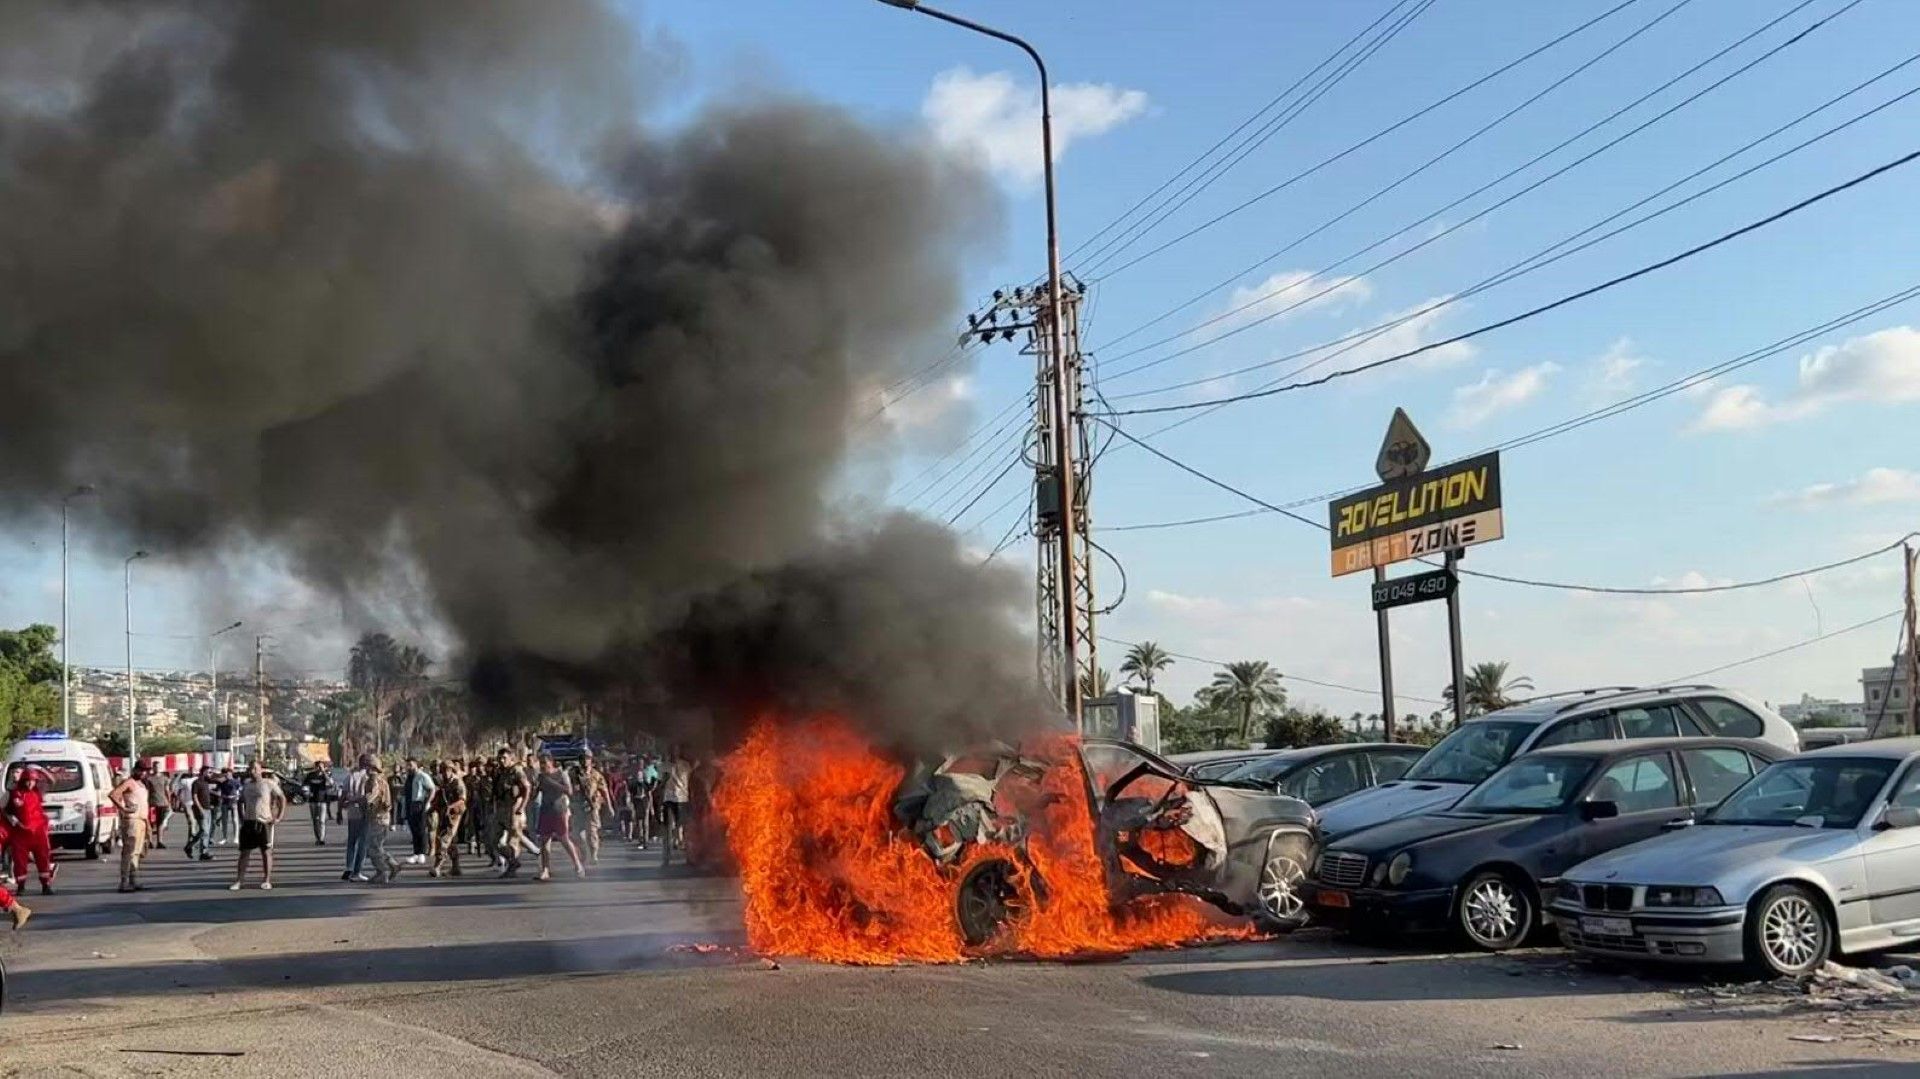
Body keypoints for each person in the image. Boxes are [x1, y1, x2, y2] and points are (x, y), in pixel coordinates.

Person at [228, 760, 286, 891]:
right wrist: (242, 817)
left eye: (255, 768)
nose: (253, 771)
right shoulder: (247, 785)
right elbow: (240, 801)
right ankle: (239, 881)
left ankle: (266, 880)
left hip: (264, 821)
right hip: (249, 822)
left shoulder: (268, 784)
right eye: (251, 769)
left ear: (261, 770)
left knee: (266, 852)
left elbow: (282, 797)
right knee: (244, 853)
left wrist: (279, 817)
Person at [532, 754, 585, 883]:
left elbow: (569, 791)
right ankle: (545, 869)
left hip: (559, 809)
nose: (543, 765)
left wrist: (551, 783)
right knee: (544, 841)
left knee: (564, 839)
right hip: (546, 810)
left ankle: (578, 865)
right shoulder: (541, 776)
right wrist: (535, 786)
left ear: (551, 762)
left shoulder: (561, 774)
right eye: (541, 763)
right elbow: (535, 794)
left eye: (545, 762)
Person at [5, 766, 56, 894]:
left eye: (33, 780)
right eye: (27, 780)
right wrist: (14, 821)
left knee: (43, 858)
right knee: (20, 860)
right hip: (21, 833)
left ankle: (46, 885)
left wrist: (41, 769)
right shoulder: (14, 793)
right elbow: (5, 811)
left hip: (38, 832)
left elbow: (52, 781)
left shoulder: (38, 792)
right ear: (23, 780)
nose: (30, 783)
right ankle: (21, 886)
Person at [109, 762, 153, 892]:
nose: (144, 773)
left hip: (142, 820)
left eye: (146, 771)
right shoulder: (129, 782)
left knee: (137, 852)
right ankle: (124, 882)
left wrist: (148, 824)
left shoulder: (142, 785)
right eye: (141, 770)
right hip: (132, 820)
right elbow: (113, 794)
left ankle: (133, 880)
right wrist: (123, 808)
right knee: (129, 851)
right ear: (135, 770)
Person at [361, 759, 401, 885]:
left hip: (379, 818)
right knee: (377, 847)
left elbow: (372, 796)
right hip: (379, 817)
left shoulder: (375, 780)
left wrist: (363, 800)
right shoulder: (381, 780)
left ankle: (382, 872)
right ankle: (392, 865)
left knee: (373, 848)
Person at [492, 749, 530, 879]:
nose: (501, 760)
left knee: (512, 841)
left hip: (514, 809)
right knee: (493, 841)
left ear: (510, 758)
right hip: (502, 809)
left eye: (504, 758)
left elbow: (526, 788)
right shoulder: (500, 772)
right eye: (500, 758)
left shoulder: (516, 771)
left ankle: (511, 868)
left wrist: (522, 807)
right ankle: (513, 861)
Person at [428, 759, 467, 878]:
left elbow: (462, 799)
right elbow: (439, 798)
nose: (445, 773)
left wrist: (451, 807)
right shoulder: (442, 783)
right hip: (444, 813)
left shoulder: (457, 783)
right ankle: (456, 867)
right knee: (450, 841)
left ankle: (437, 866)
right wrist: (432, 808)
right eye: (443, 771)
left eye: (448, 770)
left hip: (454, 814)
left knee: (443, 839)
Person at [340, 753, 374, 882]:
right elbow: (368, 797)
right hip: (364, 811)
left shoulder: (351, 776)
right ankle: (357, 871)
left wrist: (339, 811)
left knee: (352, 841)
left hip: (352, 811)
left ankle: (349, 867)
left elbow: (343, 795)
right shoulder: (369, 778)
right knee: (362, 842)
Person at [573, 755, 609, 866]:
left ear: (591, 761)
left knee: (592, 832)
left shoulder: (596, 775)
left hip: (592, 806)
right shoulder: (574, 774)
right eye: (583, 759)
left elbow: (604, 790)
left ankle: (594, 854)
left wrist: (610, 806)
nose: (585, 761)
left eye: (587, 759)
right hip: (577, 806)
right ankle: (583, 852)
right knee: (577, 834)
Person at [659, 747, 692, 867]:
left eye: (676, 751)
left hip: (682, 798)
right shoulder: (664, 766)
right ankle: (666, 857)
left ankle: (688, 854)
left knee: (684, 827)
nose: (673, 754)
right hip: (669, 799)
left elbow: (688, 780)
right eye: (672, 752)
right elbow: (661, 783)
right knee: (667, 828)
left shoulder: (685, 765)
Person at [403, 758, 434, 865]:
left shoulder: (422, 776)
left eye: (410, 765)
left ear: (416, 765)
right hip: (410, 804)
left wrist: (427, 803)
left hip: (419, 804)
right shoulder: (409, 777)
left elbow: (432, 789)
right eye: (407, 765)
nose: (408, 767)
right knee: (414, 829)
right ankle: (416, 853)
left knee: (421, 829)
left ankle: (422, 854)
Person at [188, 766, 218, 861]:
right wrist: (200, 808)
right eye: (209, 772)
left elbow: (208, 792)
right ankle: (201, 851)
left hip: (208, 809)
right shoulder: (196, 783)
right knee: (204, 831)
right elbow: (195, 796)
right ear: (203, 772)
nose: (210, 774)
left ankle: (194, 848)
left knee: (205, 831)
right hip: (200, 810)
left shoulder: (206, 783)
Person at [302, 761, 333, 846]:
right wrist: (306, 792)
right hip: (313, 801)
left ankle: (322, 839)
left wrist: (324, 772)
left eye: (321, 766)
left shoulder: (326, 775)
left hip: (322, 801)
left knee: (322, 821)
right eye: (318, 766)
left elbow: (331, 783)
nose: (319, 768)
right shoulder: (310, 775)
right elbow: (304, 785)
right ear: (315, 767)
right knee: (315, 820)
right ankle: (318, 838)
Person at [144, 768, 172, 849]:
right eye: (155, 766)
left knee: (160, 823)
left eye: (158, 766)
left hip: (162, 803)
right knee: (151, 824)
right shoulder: (149, 779)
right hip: (152, 803)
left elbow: (167, 790)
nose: (157, 768)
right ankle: (150, 841)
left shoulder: (165, 778)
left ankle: (160, 841)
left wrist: (169, 802)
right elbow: (147, 790)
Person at [215, 767, 242, 845]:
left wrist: (236, 796)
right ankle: (224, 838)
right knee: (224, 820)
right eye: (225, 774)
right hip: (225, 802)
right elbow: (219, 792)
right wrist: (223, 796)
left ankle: (236, 837)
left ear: (231, 774)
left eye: (228, 774)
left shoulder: (236, 782)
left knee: (235, 820)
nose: (227, 775)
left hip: (234, 802)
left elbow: (240, 790)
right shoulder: (223, 783)